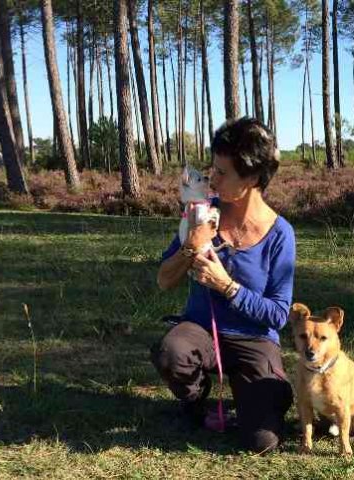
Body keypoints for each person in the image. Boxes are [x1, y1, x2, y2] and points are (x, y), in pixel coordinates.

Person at [151, 117, 296, 453]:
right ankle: (196, 397)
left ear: (253, 178)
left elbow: (277, 315)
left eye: (222, 172)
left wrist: (227, 286)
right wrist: (191, 244)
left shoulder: (280, 234)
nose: (211, 180)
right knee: (173, 353)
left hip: (254, 339)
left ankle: (263, 390)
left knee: (262, 442)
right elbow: (163, 280)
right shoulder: (201, 213)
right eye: (211, 169)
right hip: (202, 330)